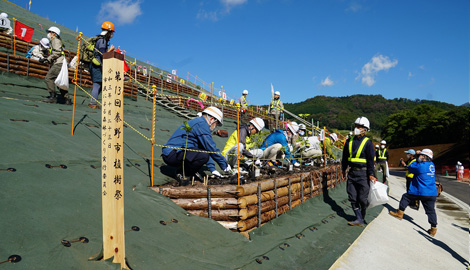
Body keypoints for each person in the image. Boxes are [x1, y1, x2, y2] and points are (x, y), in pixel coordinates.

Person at [162, 107, 232, 185]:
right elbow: (211, 147)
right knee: (202, 155)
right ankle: (182, 173)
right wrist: (224, 166)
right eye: (216, 124)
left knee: (202, 154)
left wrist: (213, 169)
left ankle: (187, 172)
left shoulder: (199, 123)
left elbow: (204, 148)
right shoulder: (201, 124)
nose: (215, 126)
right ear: (212, 119)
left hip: (176, 153)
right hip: (173, 153)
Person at [389, 149, 438, 237]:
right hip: (432, 192)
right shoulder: (432, 165)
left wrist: (416, 159)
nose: (420, 157)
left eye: (421, 155)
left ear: (426, 157)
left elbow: (411, 168)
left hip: (421, 191)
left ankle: (399, 213)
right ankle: (433, 228)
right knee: (430, 211)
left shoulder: (420, 166)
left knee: (406, 197)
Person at [341, 116, 376, 226]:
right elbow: (345, 157)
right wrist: (343, 169)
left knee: (362, 198)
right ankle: (359, 218)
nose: (357, 128)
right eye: (356, 126)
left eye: (359, 126)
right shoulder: (349, 141)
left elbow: (371, 160)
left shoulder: (368, 143)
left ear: (365, 129)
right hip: (352, 173)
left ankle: (362, 215)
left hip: (364, 174)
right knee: (352, 197)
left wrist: (371, 174)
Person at [88, 21, 116, 109]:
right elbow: (103, 54)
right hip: (96, 65)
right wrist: (111, 51)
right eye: (111, 32)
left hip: (95, 64)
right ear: (108, 31)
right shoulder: (102, 41)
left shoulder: (100, 39)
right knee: (97, 84)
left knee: (99, 83)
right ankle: (93, 103)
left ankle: (94, 102)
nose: (112, 35)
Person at [40, 26, 71, 104]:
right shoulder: (55, 41)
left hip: (59, 63)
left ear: (53, 34)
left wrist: (48, 59)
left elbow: (57, 52)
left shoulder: (55, 41)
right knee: (59, 81)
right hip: (60, 63)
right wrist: (47, 59)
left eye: (49, 32)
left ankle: (53, 97)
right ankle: (67, 99)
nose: (48, 34)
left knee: (48, 78)